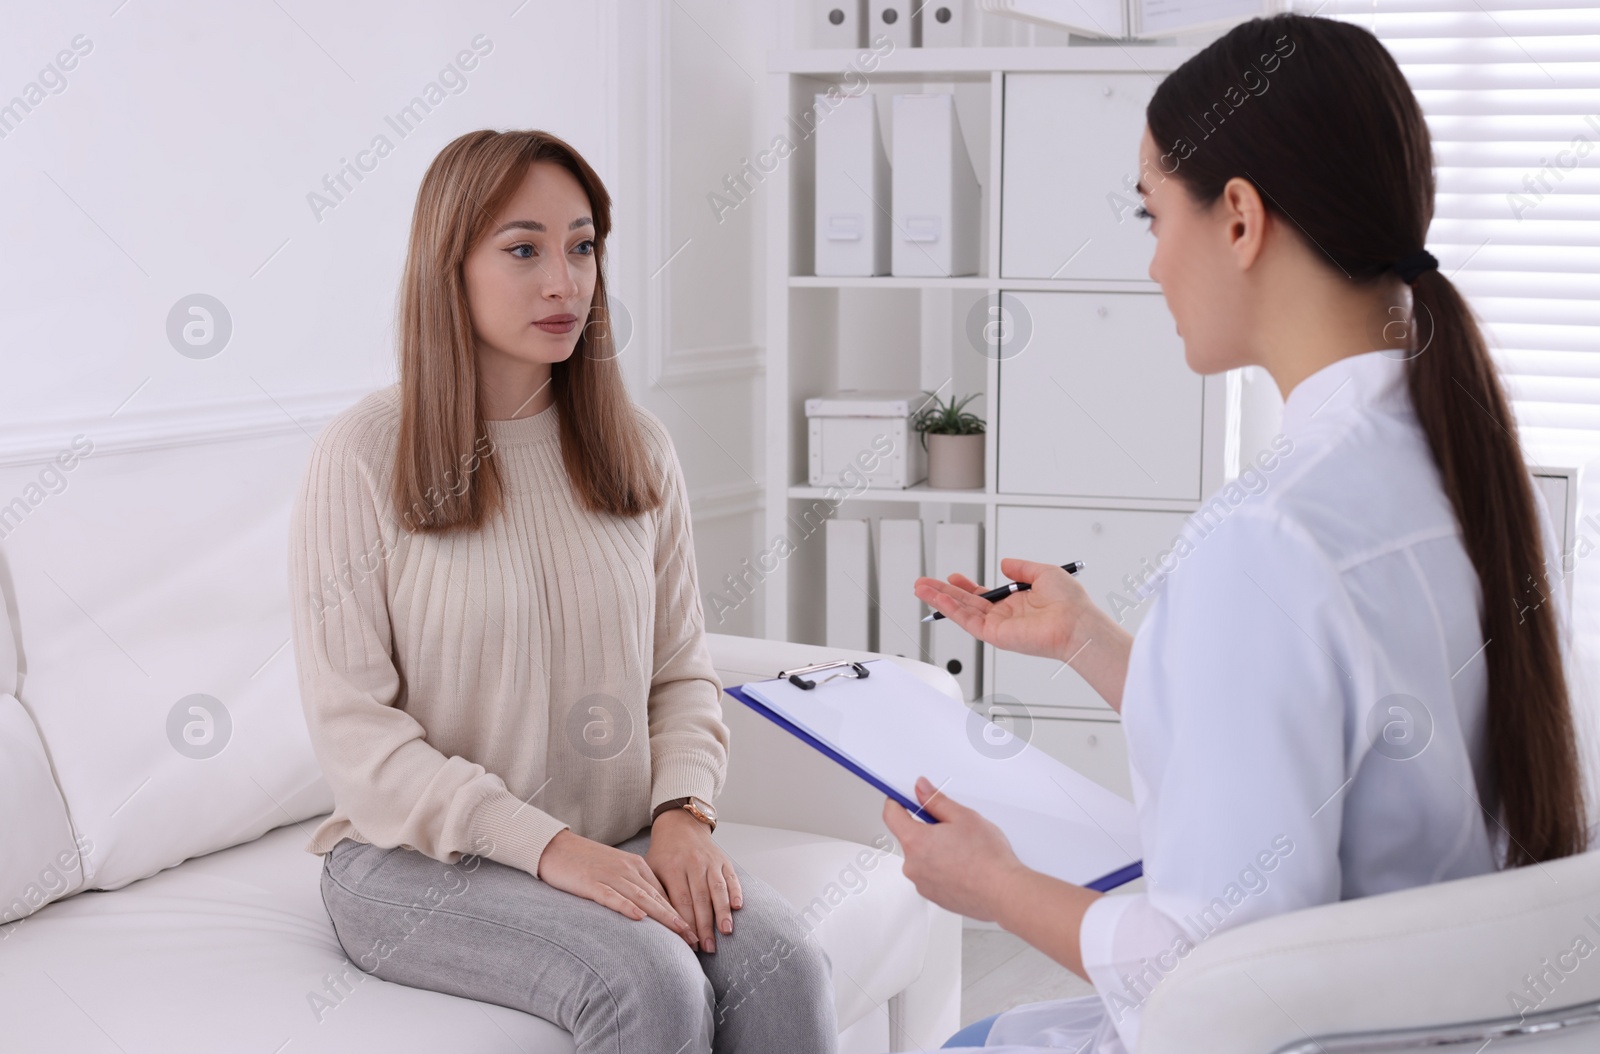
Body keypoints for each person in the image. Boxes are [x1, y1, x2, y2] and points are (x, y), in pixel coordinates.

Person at [888, 13, 1589, 1052]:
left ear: (1240, 220)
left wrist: (995, 886)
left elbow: (1206, 978)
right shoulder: (1473, 475)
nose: (1152, 265)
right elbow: (1340, 749)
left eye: (1150, 214)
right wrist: (1093, 642)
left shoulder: (1265, 534)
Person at [287, 129, 836, 1053]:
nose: (564, 281)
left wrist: (683, 815)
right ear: (446, 266)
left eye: (582, 246)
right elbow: (357, 736)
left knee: (783, 964)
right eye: (524, 249)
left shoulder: (637, 447)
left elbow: (680, 672)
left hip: (612, 837)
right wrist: (547, 847)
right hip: (412, 859)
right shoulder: (364, 455)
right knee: (650, 981)